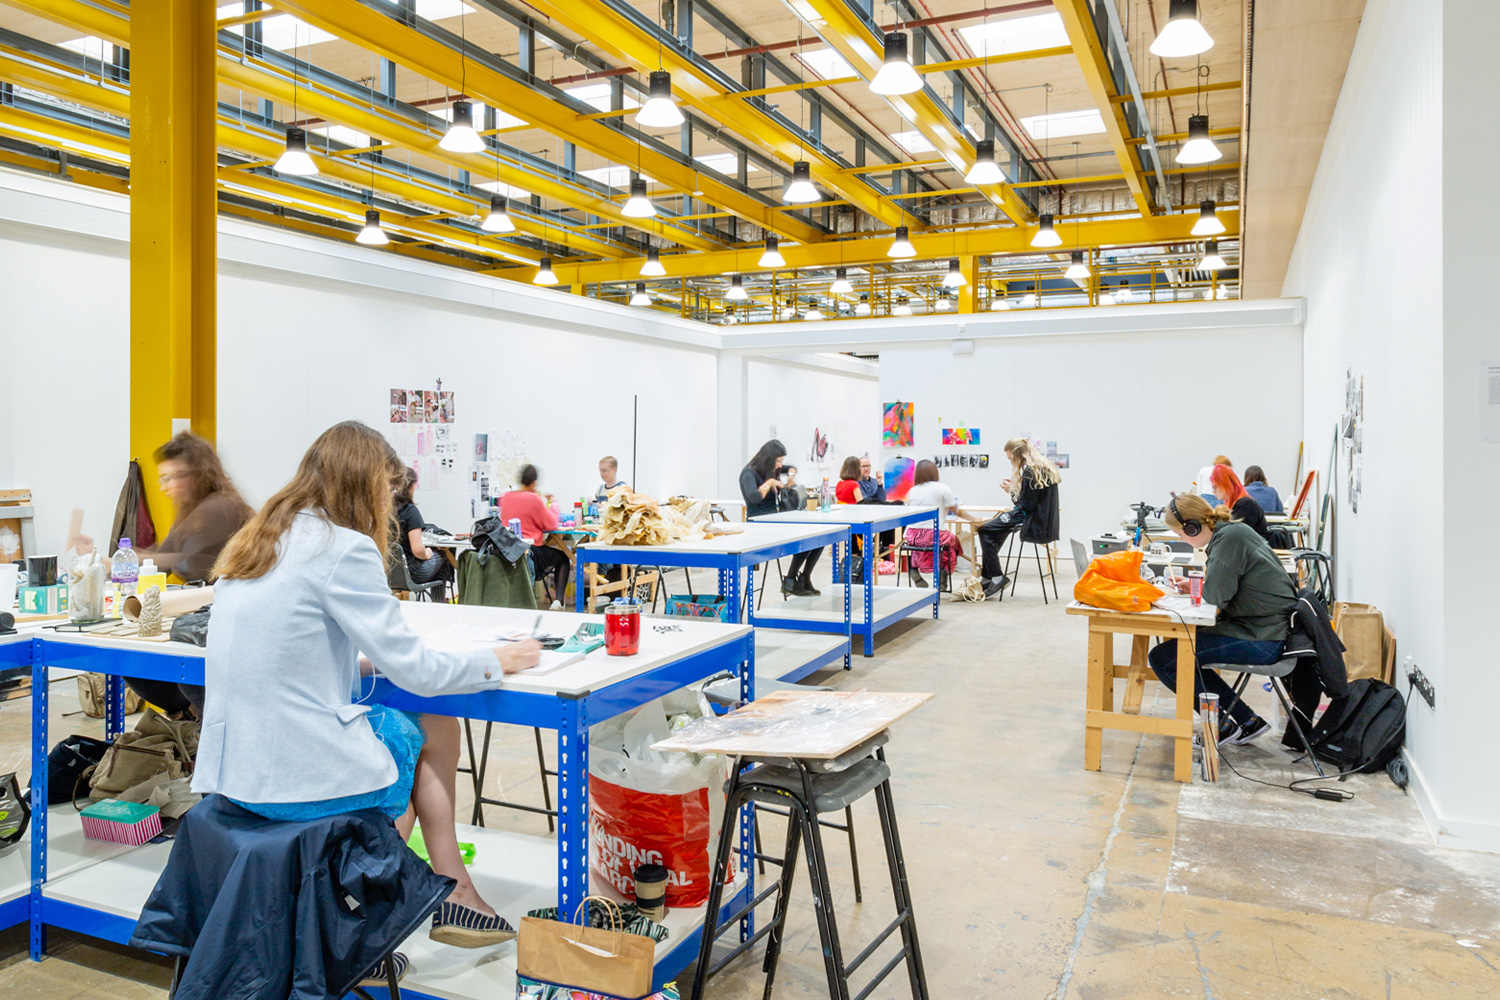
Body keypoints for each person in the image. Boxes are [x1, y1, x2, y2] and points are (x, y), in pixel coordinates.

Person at [197, 420, 542, 952]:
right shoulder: (342, 549)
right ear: (367, 485)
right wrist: (497, 660)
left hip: (232, 766)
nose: (390, 506)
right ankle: (369, 927)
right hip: (291, 775)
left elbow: (285, 649)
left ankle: (444, 890)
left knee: (425, 723)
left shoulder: (262, 539)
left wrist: (367, 663)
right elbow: (421, 675)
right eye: (388, 491)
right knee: (414, 731)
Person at [83, 432, 254, 718]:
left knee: (139, 665)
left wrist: (119, 562)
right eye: (163, 478)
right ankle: (188, 721)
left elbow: (179, 559)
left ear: (198, 474)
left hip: (229, 621)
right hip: (207, 615)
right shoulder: (193, 509)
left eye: (173, 477)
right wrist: (115, 561)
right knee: (134, 663)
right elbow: (164, 556)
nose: (165, 487)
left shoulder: (218, 508)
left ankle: (192, 721)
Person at [1150, 494, 1296, 746]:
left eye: (1180, 533)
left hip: (1262, 638)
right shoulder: (1231, 532)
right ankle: (1247, 721)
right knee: (1180, 650)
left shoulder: (1228, 539)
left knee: (1164, 659)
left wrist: (1205, 588)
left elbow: (1217, 598)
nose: (1181, 539)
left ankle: (1223, 724)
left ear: (1192, 526)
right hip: (1263, 629)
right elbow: (1223, 587)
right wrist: (1198, 585)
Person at [976, 439, 1061, 600]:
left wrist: (1011, 491)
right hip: (1043, 520)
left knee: (984, 530)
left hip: (1032, 519)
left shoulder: (1031, 471)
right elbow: (1032, 496)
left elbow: (1026, 505)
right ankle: (989, 577)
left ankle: (995, 577)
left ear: (1016, 455)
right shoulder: (1044, 467)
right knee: (992, 533)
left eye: (1009, 458)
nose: (1010, 461)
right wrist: (1018, 487)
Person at [739, 440, 822, 596]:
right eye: (778, 461)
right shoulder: (748, 473)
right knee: (807, 537)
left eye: (781, 461)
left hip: (774, 521)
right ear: (768, 458)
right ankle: (790, 580)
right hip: (758, 525)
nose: (779, 465)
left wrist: (791, 475)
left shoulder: (768, 468)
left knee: (819, 537)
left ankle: (803, 578)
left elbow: (792, 468)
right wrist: (770, 482)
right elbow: (754, 497)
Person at [902, 460, 980, 589]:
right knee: (953, 544)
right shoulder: (942, 488)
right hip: (933, 533)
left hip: (911, 535)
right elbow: (956, 511)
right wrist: (973, 519)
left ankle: (913, 568)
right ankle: (943, 574)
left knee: (920, 546)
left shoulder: (912, 491)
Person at [500, 465, 568, 610]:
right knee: (563, 558)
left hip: (507, 552)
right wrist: (554, 504)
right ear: (534, 482)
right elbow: (550, 524)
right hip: (529, 550)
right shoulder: (533, 498)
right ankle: (559, 602)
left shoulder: (506, 498)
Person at [395, 467, 454, 593]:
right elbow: (417, 550)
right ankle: (439, 605)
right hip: (414, 573)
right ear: (411, 485)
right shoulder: (410, 512)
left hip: (389, 573)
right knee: (443, 556)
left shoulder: (385, 511)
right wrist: (427, 553)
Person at [1209, 464, 1271, 543]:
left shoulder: (1245, 505)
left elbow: (1237, 538)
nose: (1213, 491)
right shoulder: (1240, 504)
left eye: (1215, 487)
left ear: (1226, 485)